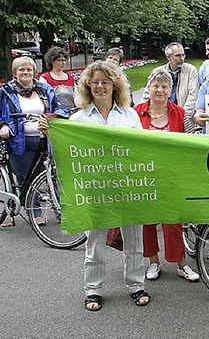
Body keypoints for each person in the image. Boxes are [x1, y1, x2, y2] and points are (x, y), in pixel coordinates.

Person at [66, 61, 148, 311]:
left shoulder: (129, 115)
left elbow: (142, 148)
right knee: (95, 241)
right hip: (96, 188)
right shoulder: (78, 118)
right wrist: (51, 133)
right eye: (95, 82)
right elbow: (70, 152)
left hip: (127, 185)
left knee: (134, 239)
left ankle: (136, 285)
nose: (100, 86)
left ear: (115, 85)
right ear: (87, 86)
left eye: (105, 82)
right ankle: (93, 289)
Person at [133, 67, 199, 283]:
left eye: (165, 86)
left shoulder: (179, 113)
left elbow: (193, 139)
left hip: (172, 176)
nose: (160, 90)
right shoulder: (135, 113)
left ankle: (181, 263)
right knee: (149, 221)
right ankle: (153, 262)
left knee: (174, 221)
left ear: (170, 90)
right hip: (145, 175)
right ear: (148, 89)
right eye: (156, 86)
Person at [0, 57, 64, 227]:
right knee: (25, 178)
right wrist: (3, 125)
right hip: (19, 140)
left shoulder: (44, 89)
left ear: (34, 72)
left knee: (53, 175)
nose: (26, 73)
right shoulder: (6, 91)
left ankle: (61, 211)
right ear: (15, 73)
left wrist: (59, 116)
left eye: (28, 69)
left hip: (44, 139)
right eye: (21, 70)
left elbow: (57, 108)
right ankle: (35, 212)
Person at [141, 42, 198, 120]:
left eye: (183, 55)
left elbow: (192, 95)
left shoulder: (191, 70)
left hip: (182, 115)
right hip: (160, 115)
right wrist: (142, 113)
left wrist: (183, 117)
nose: (181, 58)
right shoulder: (158, 71)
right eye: (177, 55)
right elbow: (147, 93)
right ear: (168, 57)